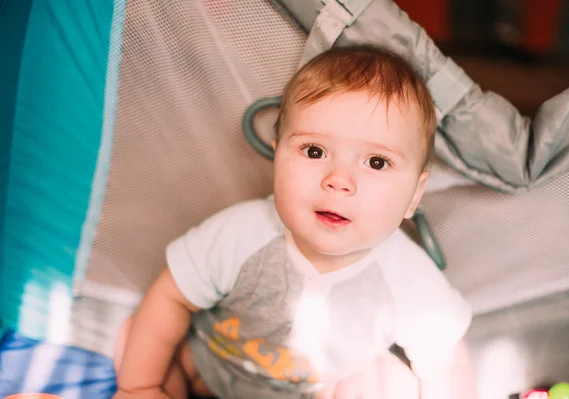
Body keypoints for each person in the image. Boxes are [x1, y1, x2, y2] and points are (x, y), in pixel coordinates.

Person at [112, 45, 475, 399]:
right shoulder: (242, 233)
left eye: (377, 162)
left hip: (318, 389)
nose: (338, 180)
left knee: (395, 384)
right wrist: (140, 386)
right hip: (211, 365)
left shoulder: (408, 278)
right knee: (137, 334)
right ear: (277, 154)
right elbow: (172, 296)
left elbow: (443, 361)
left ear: (414, 194)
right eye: (314, 151)